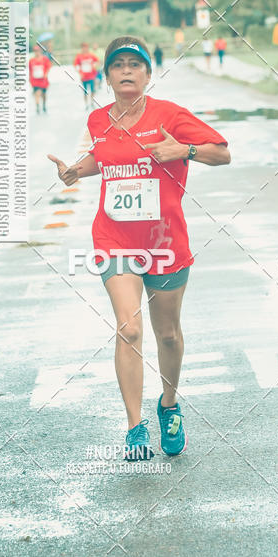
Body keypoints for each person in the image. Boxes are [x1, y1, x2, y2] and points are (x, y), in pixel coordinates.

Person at [48, 36, 230, 462]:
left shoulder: (170, 115)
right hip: (114, 240)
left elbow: (222, 154)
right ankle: (134, 427)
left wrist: (183, 150)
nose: (126, 71)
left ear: (148, 74)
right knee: (128, 328)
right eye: (118, 65)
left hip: (165, 241)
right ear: (107, 76)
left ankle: (169, 404)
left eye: (135, 64)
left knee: (167, 333)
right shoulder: (98, 120)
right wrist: (76, 170)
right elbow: (104, 158)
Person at [74, 42, 99, 109]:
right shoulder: (79, 56)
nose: (85, 49)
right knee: (85, 91)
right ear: (81, 48)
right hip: (84, 77)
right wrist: (80, 73)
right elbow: (76, 65)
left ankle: (92, 102)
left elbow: (97, 61)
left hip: (91, 76)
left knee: (93, 90)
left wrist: (94, 66)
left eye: (86, 47)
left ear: (87, 48)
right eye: (83, 47)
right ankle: (86, 104)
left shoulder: (91, 55)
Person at [28, 43, 51, 114]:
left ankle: (44, 105)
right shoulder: (31, 60)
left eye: (37, 51)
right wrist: (29, 78)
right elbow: (30, 70)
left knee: (43, 94)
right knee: (37, 93)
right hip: (35, 80)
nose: (36, 52)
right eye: (35, 51)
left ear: (40, 51)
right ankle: (37, 106)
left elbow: (48, 67)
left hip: (43, 80)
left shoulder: (45, 59)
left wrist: (46, 74)